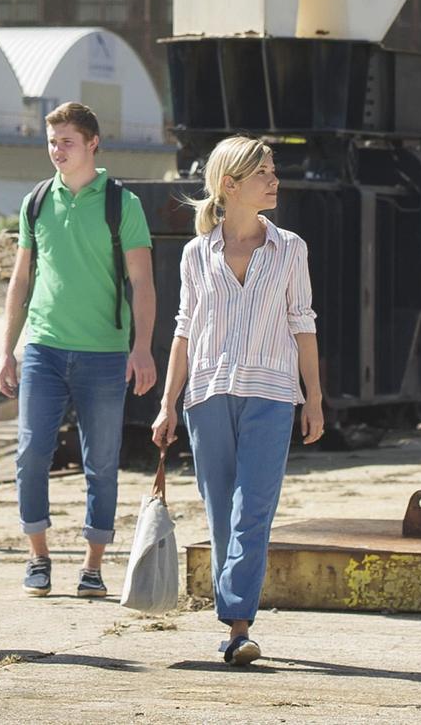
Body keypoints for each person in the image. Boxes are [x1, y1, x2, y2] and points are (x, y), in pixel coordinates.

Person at [151, 136, 322, 667]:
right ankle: (235, 627)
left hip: (271, 394)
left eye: (273, 171)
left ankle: (237, 622)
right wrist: (167, 402)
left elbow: (303, 324)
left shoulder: (291, 247)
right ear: (231, 186)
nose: (275, 181)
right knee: (221, 511)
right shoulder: (195, 254)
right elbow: (184, 330)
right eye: (263, 174)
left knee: (254, 510)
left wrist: (313, 397)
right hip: (206, 395)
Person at [0, 100, 157, 598]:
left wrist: (143, 348)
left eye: (66, 141)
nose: (57, 151)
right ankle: (38, 556)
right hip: (43, 348)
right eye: (51, 142)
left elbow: (142, 283)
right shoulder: (37, 201)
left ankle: (92, 564)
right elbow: (20, 279)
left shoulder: (121, 204)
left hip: (104, 353)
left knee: (101, 462)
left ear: (92, 143)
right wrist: (8, 349)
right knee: (29, 454)